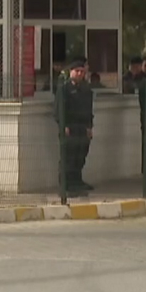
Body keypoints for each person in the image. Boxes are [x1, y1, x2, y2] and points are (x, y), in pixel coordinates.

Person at [56, 59, 96, 196]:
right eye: (77, 71)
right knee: (68, 157)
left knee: (80, 156)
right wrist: (64, 126)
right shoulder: (64, 89)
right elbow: (59, 110)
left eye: (82, 71)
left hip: (82, 127)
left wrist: (89, 127)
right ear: (71, 72)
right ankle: (66, 186)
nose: (79, 74)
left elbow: (89, 110)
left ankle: (77, 182)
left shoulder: (86, 90)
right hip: (70, 127)